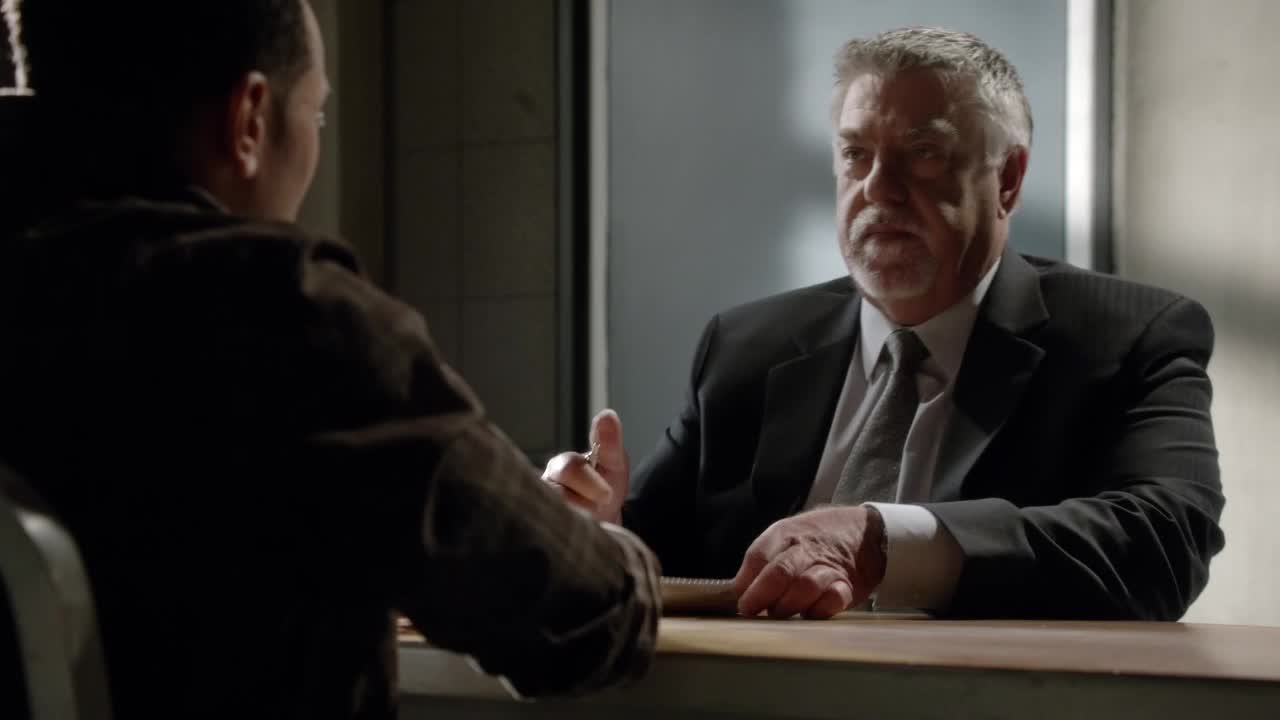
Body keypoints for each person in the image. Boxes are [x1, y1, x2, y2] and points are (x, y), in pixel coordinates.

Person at [0, 1, 659, 717]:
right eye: (314, 115)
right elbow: (582, 609)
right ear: (249, 119)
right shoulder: (283, 315)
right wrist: (608, 543)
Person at [545, 27, 1224, 622]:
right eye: (855, 155)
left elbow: (1166, 544)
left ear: (1008, 180)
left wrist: (881, 541)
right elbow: (655, 552)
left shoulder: (1125, 336)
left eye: (923, 153)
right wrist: (591, 529)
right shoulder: (747, 347)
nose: (878, 187)